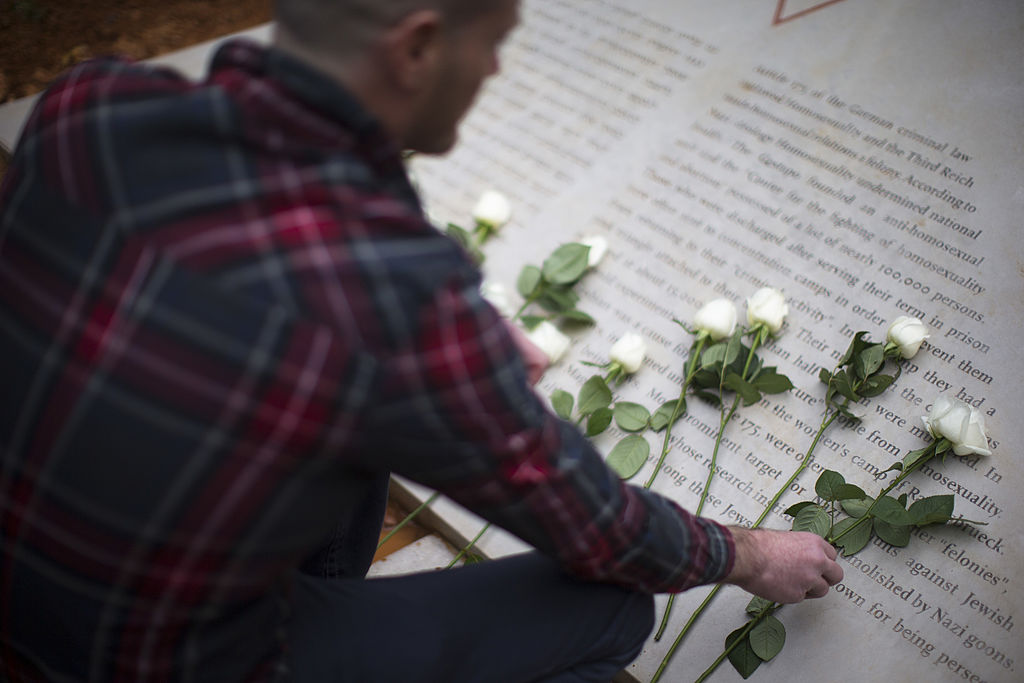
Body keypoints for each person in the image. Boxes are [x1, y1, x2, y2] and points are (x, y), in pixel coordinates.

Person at [0, 0, 842, 680]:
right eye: (495, 40)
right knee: (608, 609)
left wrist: (442, 354)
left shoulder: (90, 104)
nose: (496, 69)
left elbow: (216, 273)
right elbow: (593, 528)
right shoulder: (392, 300)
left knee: (341, 428)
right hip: (156, 657)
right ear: (417, 48)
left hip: (24, 574)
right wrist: (748, 552)